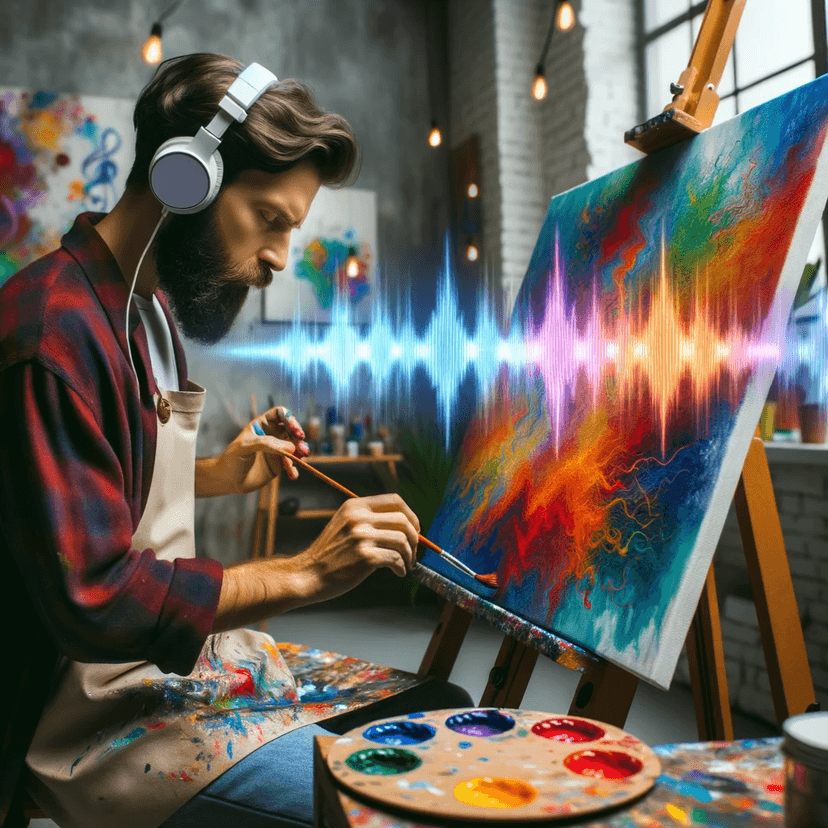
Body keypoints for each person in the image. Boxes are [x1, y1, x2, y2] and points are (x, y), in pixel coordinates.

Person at [0, 53, 471, 828]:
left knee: (440, 713)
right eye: (270, 219)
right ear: (186, 181)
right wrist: (302, 575)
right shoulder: (55, 331)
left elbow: (104, 490)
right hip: (79, 712)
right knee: (390, 802)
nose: (281, 258)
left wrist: (219, 471)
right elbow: (95, 597)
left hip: (159, 673)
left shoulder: (142, 315)